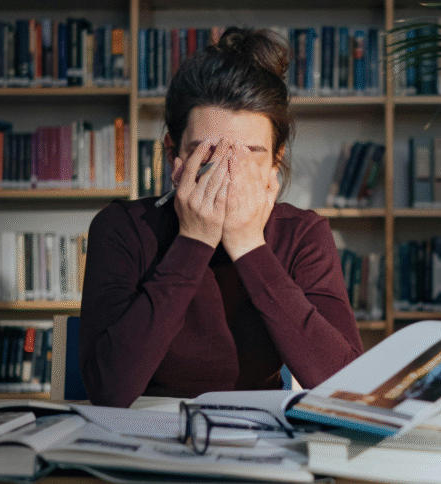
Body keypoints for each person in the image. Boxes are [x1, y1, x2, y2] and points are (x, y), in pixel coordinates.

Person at [79, 27, 364, 407]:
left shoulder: (302, 234)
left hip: (260, 438)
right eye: (208, 152)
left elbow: (346, 387)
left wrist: (249, 245)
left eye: (250, 154)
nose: (228, 171)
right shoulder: (123, 228)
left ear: (274, 163)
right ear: (173, 154)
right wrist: (194, 240)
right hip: (143, 432)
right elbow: (108, 389)